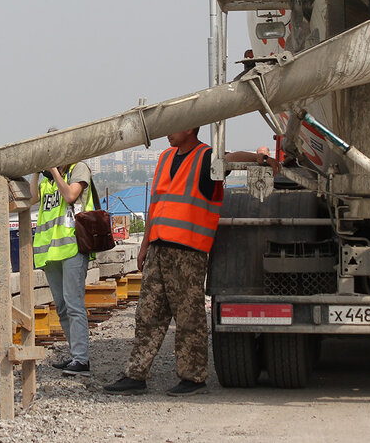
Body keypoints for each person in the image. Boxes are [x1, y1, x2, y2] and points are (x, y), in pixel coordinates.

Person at [104, 128, 276, 397]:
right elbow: (156, 205)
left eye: (174, 126)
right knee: (148, 314)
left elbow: (230, 159)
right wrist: (145, 244)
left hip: (188, 252)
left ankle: (193, 377)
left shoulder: (206, 157)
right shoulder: (165, 158)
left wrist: (261, 159)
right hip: (159, 249)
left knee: (188, 317)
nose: (167, 132)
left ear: (190, 128)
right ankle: (135, 375)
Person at [30, 139, 96, 376]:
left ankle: (81, 359)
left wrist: (55, 171)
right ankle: (75, 355)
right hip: (51, 252)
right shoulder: (49, 180)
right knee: (62, 306)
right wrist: (38, 172)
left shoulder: (78, 169)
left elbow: (70, 195)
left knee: (74, 303)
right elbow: (31, 199)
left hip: (73, 248)